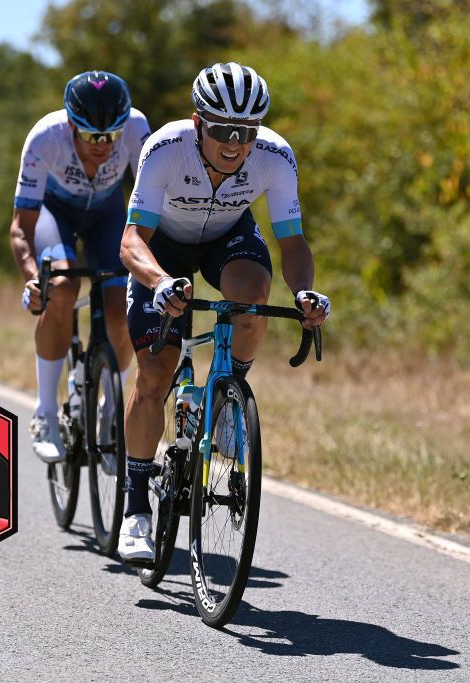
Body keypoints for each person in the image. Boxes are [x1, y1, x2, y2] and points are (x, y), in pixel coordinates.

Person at [116, 62, 331, 560]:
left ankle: (230, 394)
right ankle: (136, 509)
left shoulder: (275, 157)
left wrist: (302, 292)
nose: (234, 143)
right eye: (222, 131)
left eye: (246, 132)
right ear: (198, 123)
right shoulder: (166, 149)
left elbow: (294, 243)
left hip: (227, 238)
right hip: (163, 249)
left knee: (256, 292)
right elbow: (132, 240)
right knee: (154, 376)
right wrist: (160, 282)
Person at [9, 70, 151, 463]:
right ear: (72, 124)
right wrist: (31, 279)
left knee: (121, 310)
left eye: (111, 136)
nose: (104, 146)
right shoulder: (44, 138)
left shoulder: (137, 128)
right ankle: (46, 414)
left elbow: (153, 205)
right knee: (63, 288)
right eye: (92, 136)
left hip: (107, 213)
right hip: (57, 213)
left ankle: (109, 412)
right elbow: (22, 226)